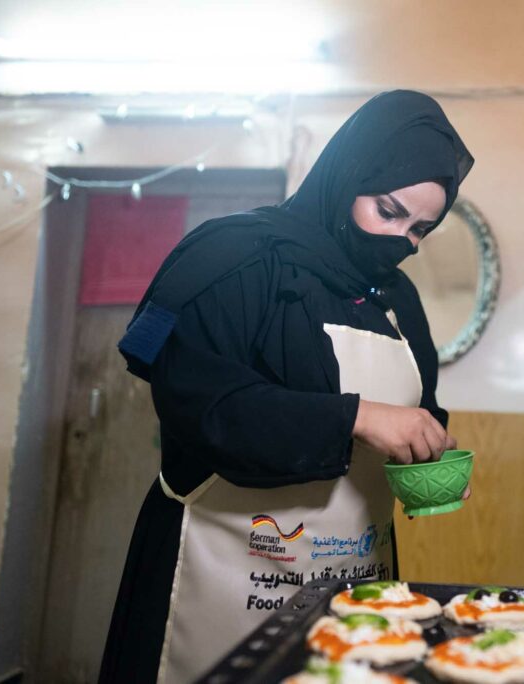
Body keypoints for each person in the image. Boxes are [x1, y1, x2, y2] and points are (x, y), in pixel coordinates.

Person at [99, 90, 474, 684]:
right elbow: (203, 404)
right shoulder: (237, 258)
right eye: (389, 211)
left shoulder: (397, 300)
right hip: (221, 572)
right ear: (347, 174)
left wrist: (426, 450)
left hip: (354, 577)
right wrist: (355, 417)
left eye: (422, 229)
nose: (404, 241)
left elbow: (416, 407)